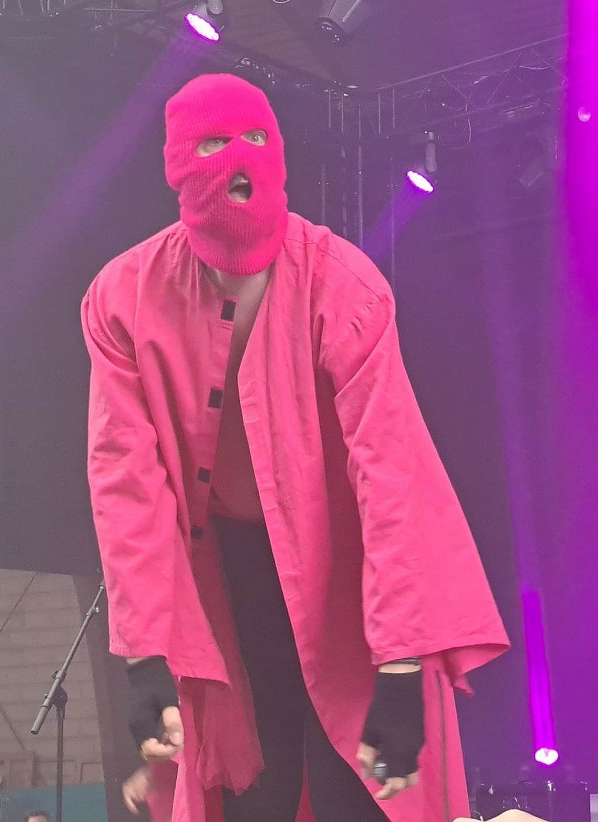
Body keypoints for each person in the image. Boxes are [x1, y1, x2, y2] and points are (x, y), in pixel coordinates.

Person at [82, 72, 509, 822]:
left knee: (361, 790)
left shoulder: (344, 287)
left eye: (256, 139)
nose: (237, 163)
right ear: (177, 164)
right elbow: (126, 481)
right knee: (252, 785)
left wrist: (400, 669)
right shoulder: (123, 299)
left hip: (346, 577)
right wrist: (144, 655)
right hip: (225, 579)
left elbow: (392, 475)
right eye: (213, 145)